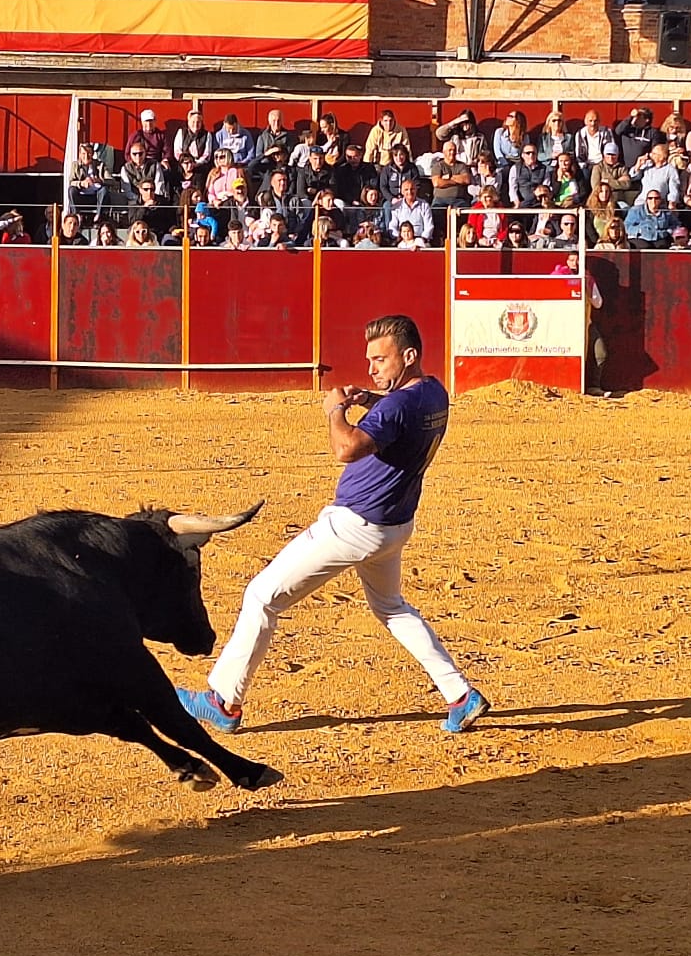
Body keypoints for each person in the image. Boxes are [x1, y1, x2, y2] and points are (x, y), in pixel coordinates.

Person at [176, 315, 486, 735]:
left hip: (354, 524)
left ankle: (223, 700)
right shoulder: (432, 393)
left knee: (262, 596)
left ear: (409, 356)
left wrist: (335, 410)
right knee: (392, 608)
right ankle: (460, 694)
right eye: (369, 360)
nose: (372, 368)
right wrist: (372, 400)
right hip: (394, 525)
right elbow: (399, 413)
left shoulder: (397, 407)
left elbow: (346, 448)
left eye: (380, 359)